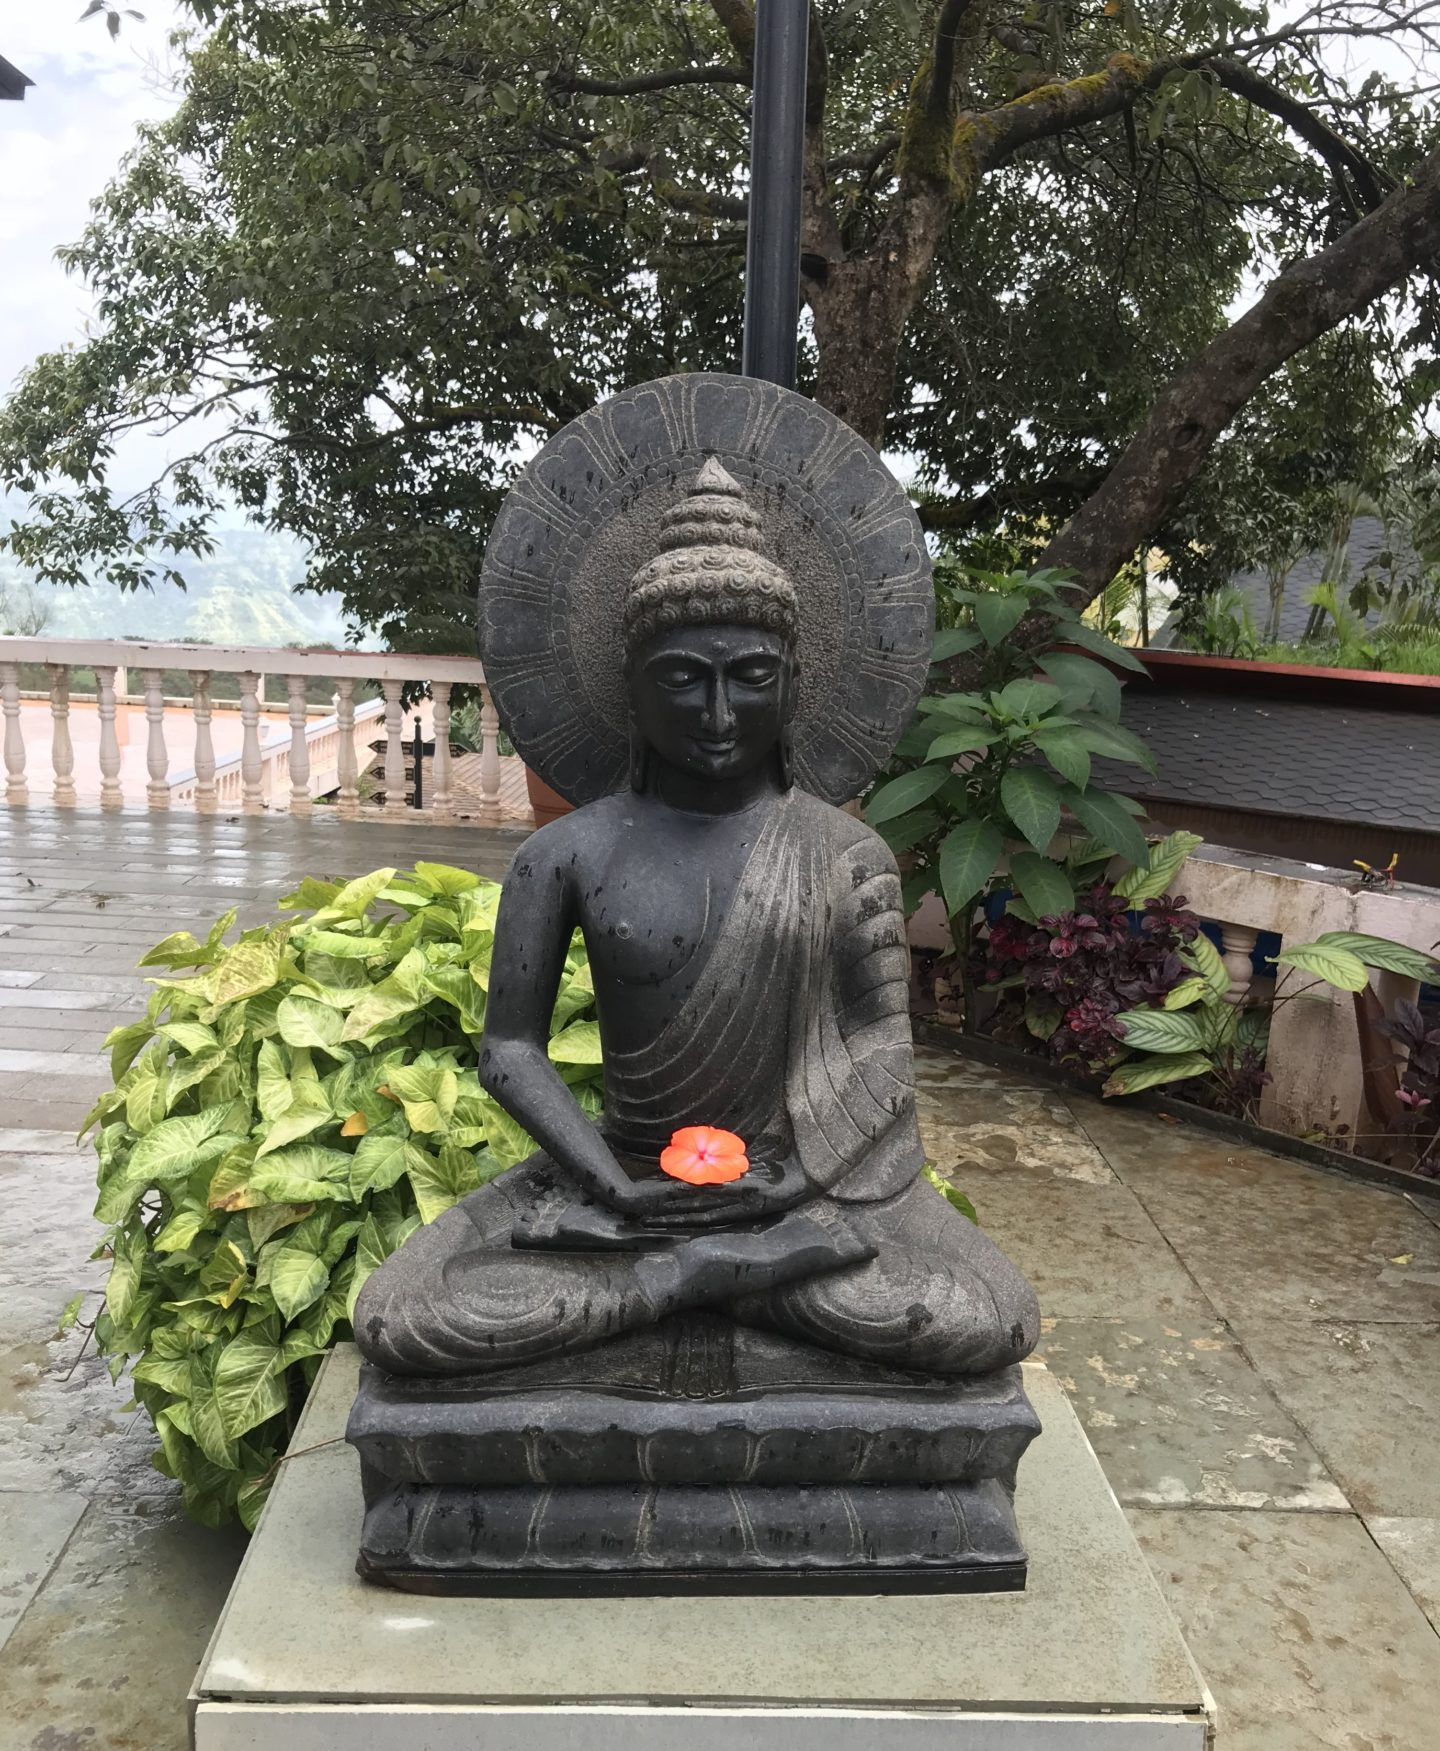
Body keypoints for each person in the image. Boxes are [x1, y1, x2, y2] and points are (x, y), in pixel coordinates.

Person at [354, 462, 1039, 1378]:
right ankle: (713, 1274)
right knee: (404, 1315)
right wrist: (612, 1185)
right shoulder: (566, 853)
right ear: (632, 686)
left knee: (987, 1316)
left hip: (799, 1188)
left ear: (794, 682)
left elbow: (881, 1047)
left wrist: (793, 1183)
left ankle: (680, 1278)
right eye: (682, 680)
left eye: (750, 677)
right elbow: (508, 1049)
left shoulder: (844, 854)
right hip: (625, 1181)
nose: (718, 713)